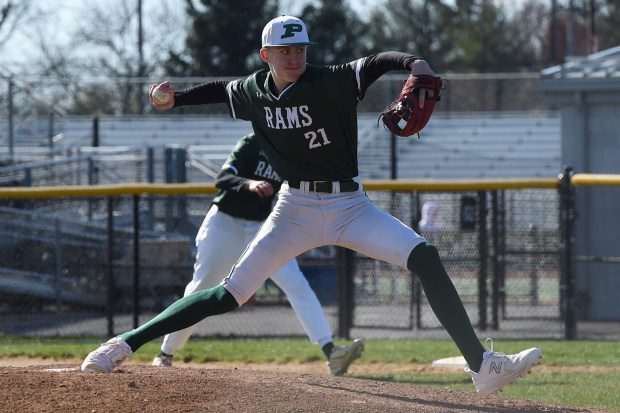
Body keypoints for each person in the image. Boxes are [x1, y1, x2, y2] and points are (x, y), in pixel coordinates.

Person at [82, 15, 542, 395]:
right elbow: (219, 88)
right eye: (284, 51)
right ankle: (123, 344)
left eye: (300, 48)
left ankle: (482, 366)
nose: (294, 57)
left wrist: (415, 62)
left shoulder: (331, 81)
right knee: (228, 294)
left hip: (350, 207)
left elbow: (381, 61)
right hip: (293, 209)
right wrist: (175, 99)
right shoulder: (254, 91)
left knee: (424, 255)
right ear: (266, 57)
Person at [151, 133, 363, 375]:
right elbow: (223, 178)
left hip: (260, 228)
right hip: (224, 223)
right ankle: (165, 352)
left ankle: (331, 351)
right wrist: (249, 183)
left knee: (296, 283)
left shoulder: (291, 150)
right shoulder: (252, 143)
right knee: (201, 287)